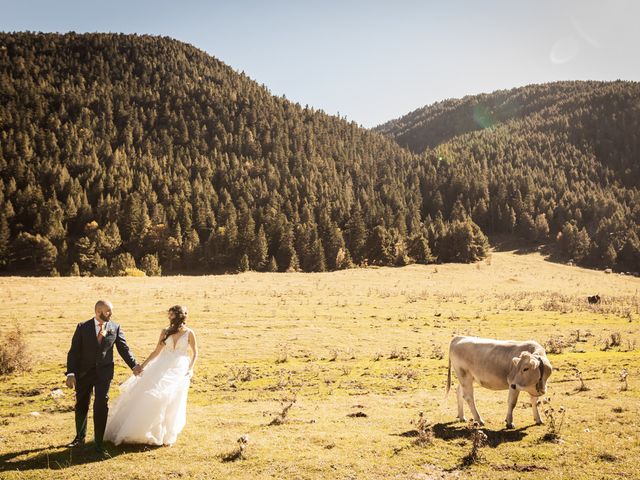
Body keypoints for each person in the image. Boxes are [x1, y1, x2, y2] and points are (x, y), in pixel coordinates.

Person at [104, 305, 198, 447]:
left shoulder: (189, 333)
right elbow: (156, 351)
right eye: (169, 314)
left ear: (179, 316)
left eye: (171, 315)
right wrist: (142, 365)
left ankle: (167, 435)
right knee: (152, 395)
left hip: (179, 368)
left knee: (172, 399)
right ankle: (149, 431)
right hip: (162, 365)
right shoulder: (165, 331)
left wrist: (190, 369)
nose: (169, 317)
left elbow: (195, 352)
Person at [65, 300, 142, 458]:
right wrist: (71, 373)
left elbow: (124, 349)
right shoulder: (82, 327)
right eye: (107, 311)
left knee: (101, 404)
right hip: (84, 374)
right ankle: (79, 438)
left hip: (104, 374)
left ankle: (98, 443)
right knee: (82, 404)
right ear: (98, 311)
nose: (110, 314)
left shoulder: (115, 327)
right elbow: (73, 352)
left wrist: (134, 365)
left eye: (111, 311)